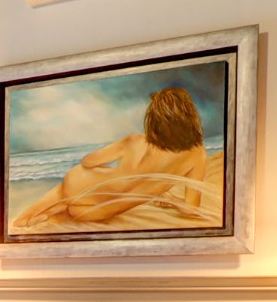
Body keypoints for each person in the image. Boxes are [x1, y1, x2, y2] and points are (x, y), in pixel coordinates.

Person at [14, 86, 210, 227]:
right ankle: (49, 214)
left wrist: (112, 171)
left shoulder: (135, 141)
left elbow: (88, 161)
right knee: (77, 201)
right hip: (93, 213)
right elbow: (191, 208)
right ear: (189, 117)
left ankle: (27, 218)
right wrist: (167, 197)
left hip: (78, 187)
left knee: (75, 181)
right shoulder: (197, 154)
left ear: (154, 120)